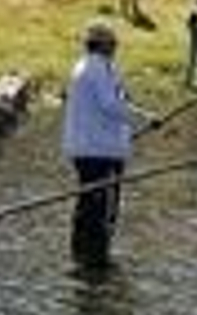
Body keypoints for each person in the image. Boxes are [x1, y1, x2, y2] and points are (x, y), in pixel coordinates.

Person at [62, 21, 158, 272]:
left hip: (95, 149)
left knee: (90, 204)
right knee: (101, 207)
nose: (116, 47)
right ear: (103, 45)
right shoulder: (95, 69)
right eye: (113, 43)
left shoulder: (96, 67)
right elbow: (110, 105)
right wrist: (143, 118)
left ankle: (84, 256)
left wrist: (140, 117)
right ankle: (95, 258)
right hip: (98, 152)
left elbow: (118, 101)